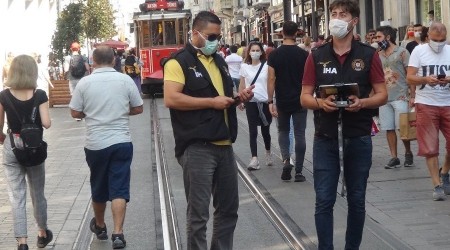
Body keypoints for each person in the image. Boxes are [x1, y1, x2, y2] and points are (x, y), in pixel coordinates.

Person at [163, 11, 253, 250]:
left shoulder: (220, 62)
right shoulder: (178, 62)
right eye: (211, 36)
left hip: (224, 144)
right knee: (199, 215)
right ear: (195, 33)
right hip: (197, 146)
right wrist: (212, 102)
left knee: (228, 210)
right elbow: (171, 99)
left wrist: (237, 98)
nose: (216, 40)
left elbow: (223, 97)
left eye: (218, 36)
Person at [300, 0, 387, 249]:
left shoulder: (368, 54)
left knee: (357, 200)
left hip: (358, 135)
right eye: (334, 14)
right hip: (325, 136)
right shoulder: (316, 56)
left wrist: (362, 102)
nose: (337, 18)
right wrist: (320, 103)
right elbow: (304, 96)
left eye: (343, 14)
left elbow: (382, 94)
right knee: (323, 200)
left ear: (354, 20)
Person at [69, 46, 144, 249]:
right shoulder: (125, 80)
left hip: (96, 144)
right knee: (119, 188)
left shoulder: (84, 83)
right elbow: (138, 107)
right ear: (113, 61)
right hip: (121, 141)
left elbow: (74, 112)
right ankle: (118, 234)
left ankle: (100, 226)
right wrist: (119, 111)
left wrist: (91, 113)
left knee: (99, 185)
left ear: (92, 61)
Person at [0, 55, 52, 250]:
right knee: (38, 193)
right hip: (34, 147)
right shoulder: (39, 95)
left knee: (16, 196)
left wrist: (5, 138)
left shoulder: (3, 95)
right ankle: (42, 233)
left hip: (12, 146)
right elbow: (46, 123)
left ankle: (22, 242)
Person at [406, 22, 450, 201]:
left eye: (442, 40)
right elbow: (410, 76)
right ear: (427, 37)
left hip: (447, 103)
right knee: (430, 147)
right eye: (435, 39)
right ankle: (437, 184)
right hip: (426, 103)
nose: (439, 43)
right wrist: (425, 79)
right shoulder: (419, 51)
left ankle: (445, 171)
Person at [267, 20, 309, 182]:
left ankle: (286, 160)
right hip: (300, 99)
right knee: (300, 134)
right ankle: (299, 171)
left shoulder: (275, 54)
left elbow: (271, 79)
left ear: (282, 33)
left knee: (283, 131)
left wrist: (270, 101)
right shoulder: (304, 54)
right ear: (297, 33)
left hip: (283, 99)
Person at [374, 26, 415, 169]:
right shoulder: (378, 54)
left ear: (387, 37)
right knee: (388, 128)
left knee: (402, 127)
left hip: (401, 96)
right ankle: (394, 157)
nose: (376, 40)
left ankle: (408, 152)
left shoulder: (402, 52)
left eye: (378, 37)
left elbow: (410, 75)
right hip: (384, 97)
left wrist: (413, 95)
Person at [238, 41, 272, 170]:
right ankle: (254, 158)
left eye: (258, 50)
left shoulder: (266, 66)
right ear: (248, 52)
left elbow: (270, 83)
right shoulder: (244, 67)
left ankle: (268, 152)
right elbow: (242, 84)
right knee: (252, 130)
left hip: (264, 101)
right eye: (253, 50)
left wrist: (271, 101)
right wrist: (240, 100)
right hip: (251, 102)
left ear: (262, 52)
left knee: (265, 130)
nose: (255, 53)